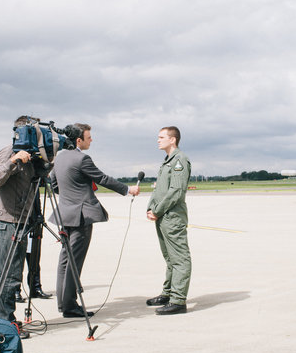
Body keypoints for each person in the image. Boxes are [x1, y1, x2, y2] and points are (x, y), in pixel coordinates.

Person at [50, 123, 139, 318]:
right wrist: (127, 189)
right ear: (79, 140)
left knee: (65, 260)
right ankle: (70, 306)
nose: (92, 140)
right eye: (89, 137)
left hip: (64, 214)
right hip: (81, 216)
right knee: (76, 261)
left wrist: (70, 195)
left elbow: (54, 184)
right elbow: (102, 179)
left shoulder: (60, 157)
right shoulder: (82, 159)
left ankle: (62, 303)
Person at [0, 116, 36, 337]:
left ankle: (0, 319)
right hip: (7, 221)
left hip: (20, 221)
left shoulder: (33, 156)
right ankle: (2, 323)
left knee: (10, 273)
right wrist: (15, 159)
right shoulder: (10, 151)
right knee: (9, 274)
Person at [146, 126, 192, 315]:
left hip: (172, 217)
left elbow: (176, 191)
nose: (158, 140)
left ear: (173, 140)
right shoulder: (167, 161)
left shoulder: (180, 160)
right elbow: (160, 189)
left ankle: (178, 300)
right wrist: (150, 207)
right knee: (169, 257)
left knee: (179, 258)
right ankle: (168, 293)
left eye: (161, 137)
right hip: (163, 216)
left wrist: (156, 210)